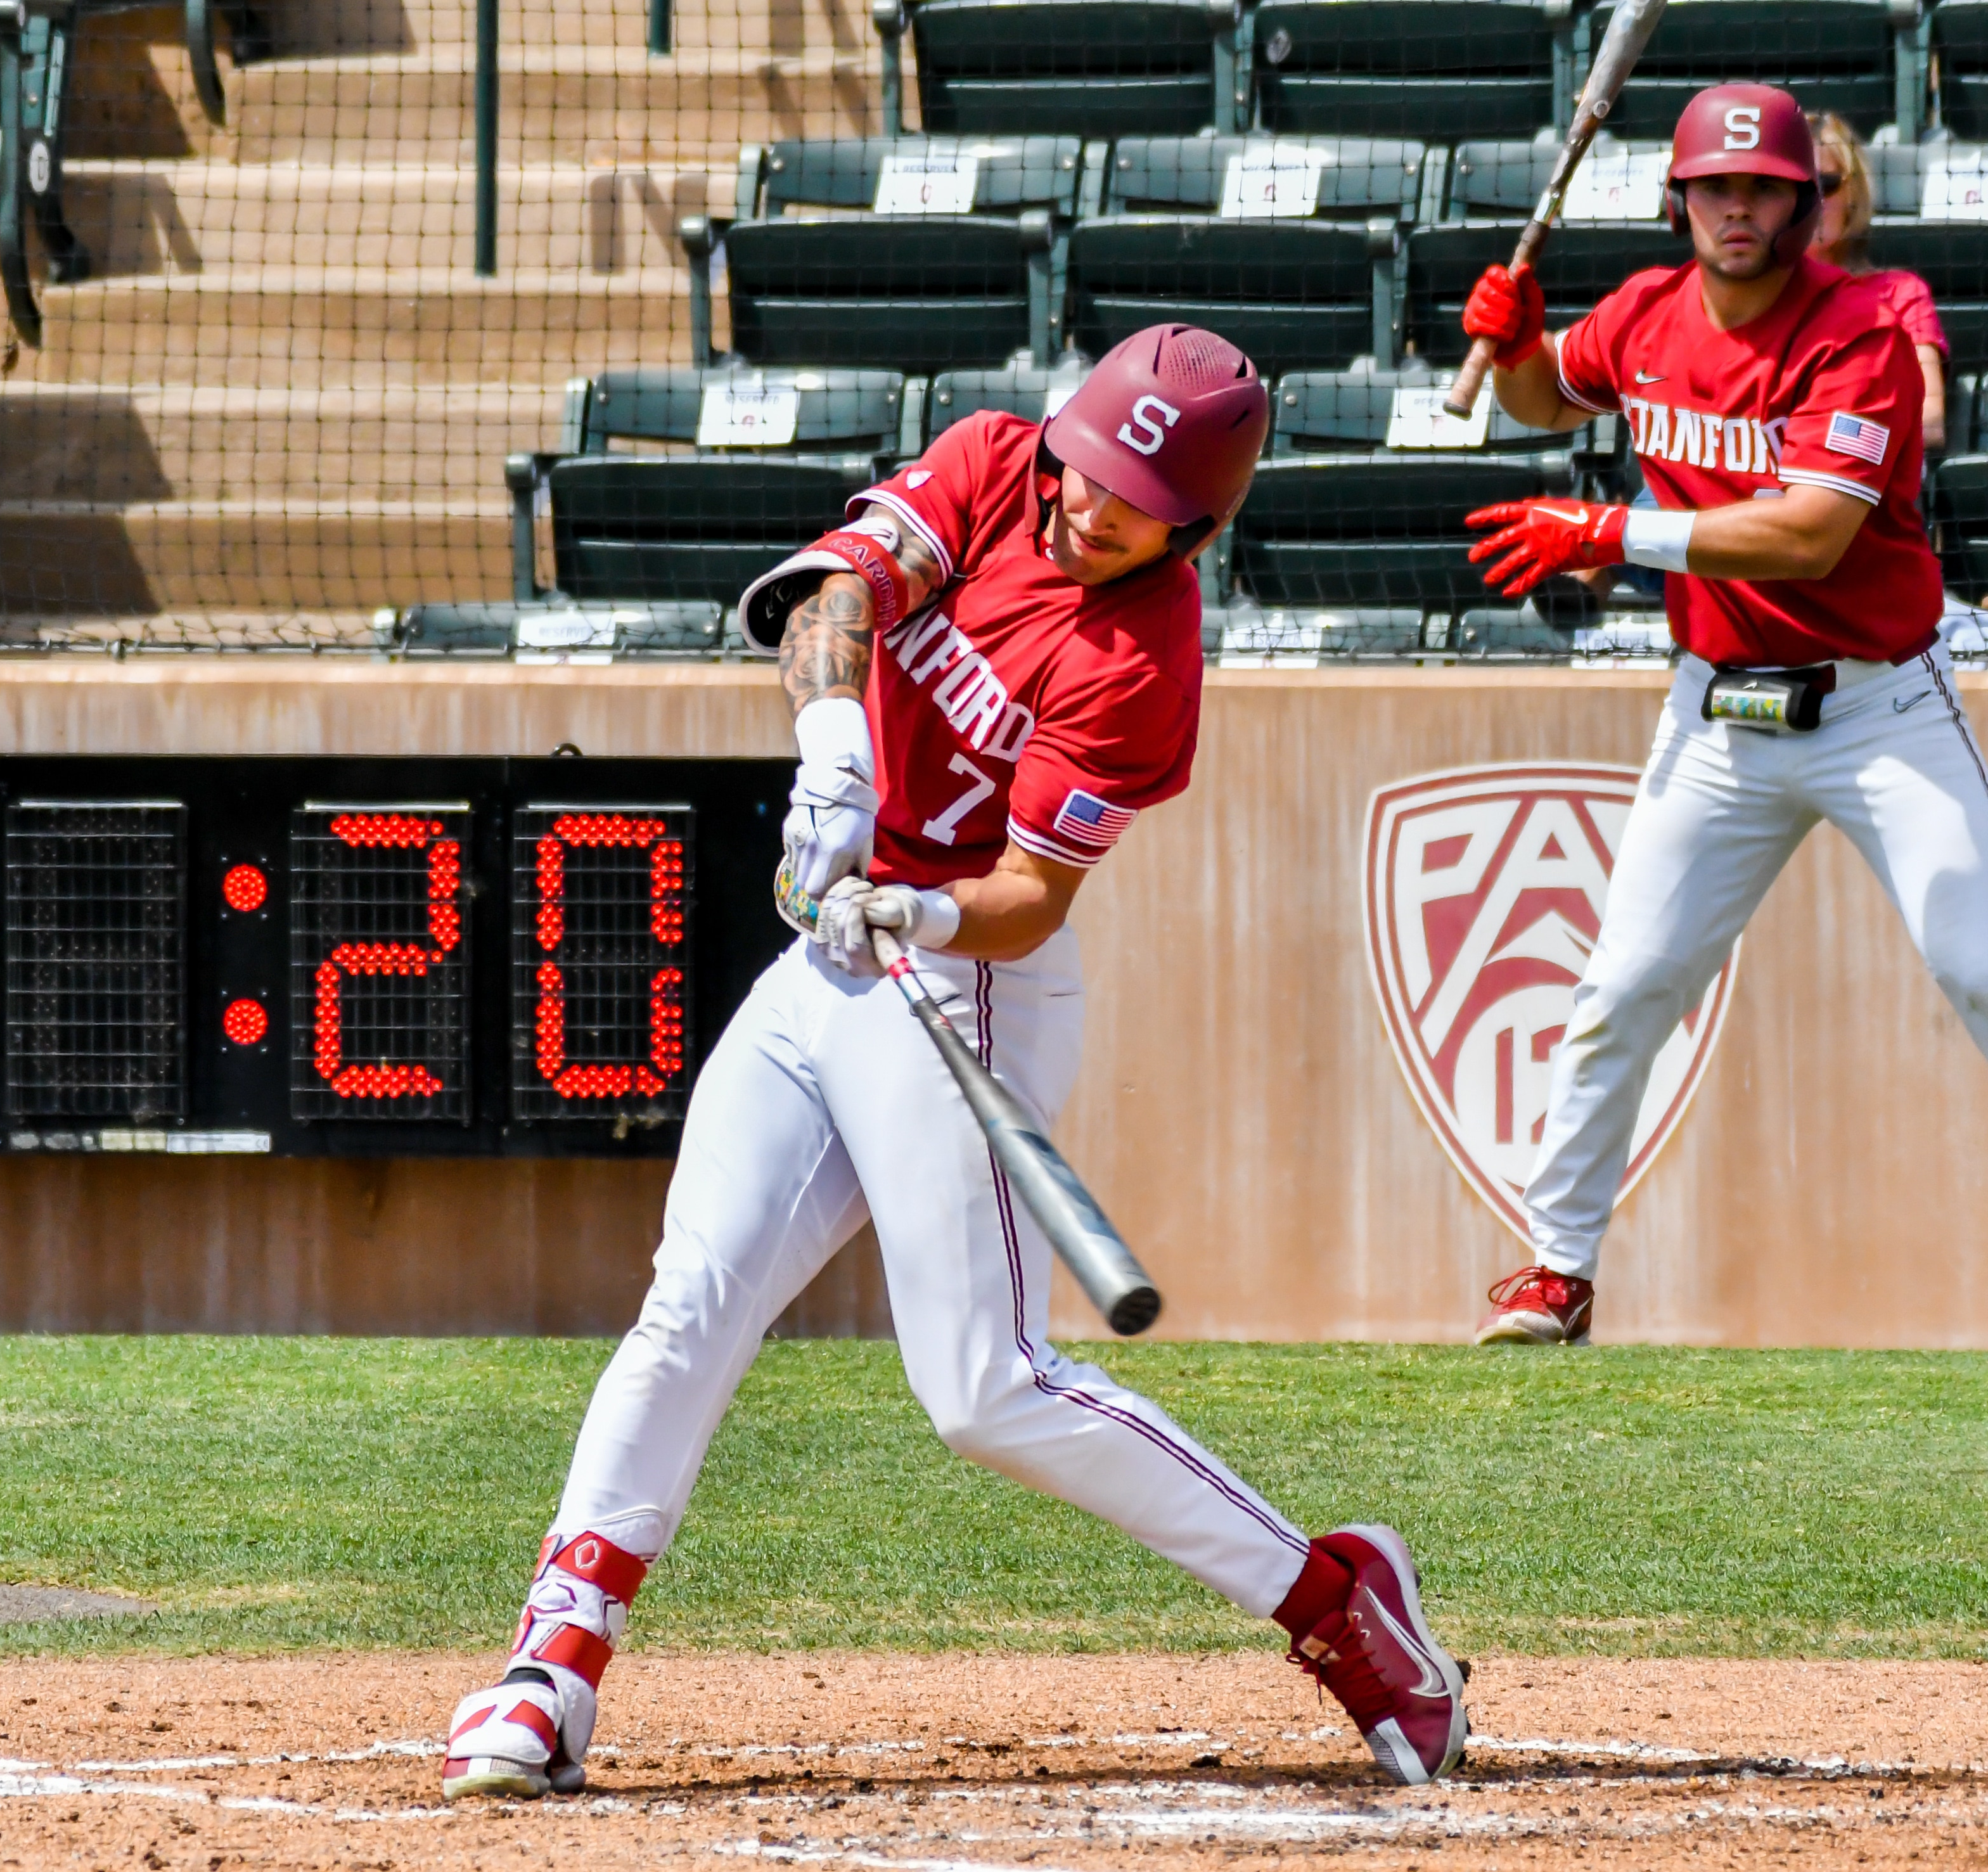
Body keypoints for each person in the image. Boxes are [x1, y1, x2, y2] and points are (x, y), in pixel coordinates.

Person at [438, 326, 1470, 1799]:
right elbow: (832, 592)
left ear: (1195, 522)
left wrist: (912, 901)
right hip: (825, 974)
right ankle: (553, 1667)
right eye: (1088, 464)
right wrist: (833, 760)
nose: (1087, 503)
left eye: (1130, 496)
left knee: (986, 1388)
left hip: (966, 980)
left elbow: (1029, 899)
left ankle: (1334, 1606)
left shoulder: (1140, 659)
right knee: (694, 1298)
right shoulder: (995, 463)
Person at [1457, 82, 1984, 1347]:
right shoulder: (1643, 311)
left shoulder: (1860, 327)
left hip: (1876, 708)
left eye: (1761, 188)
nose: (1735, 207)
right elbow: (1543, 403)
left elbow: (1808, 537)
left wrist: (1610, 529)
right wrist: (1521, 344)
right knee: (1619, 988)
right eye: (1713, 187)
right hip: (1714, 722)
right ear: (1678, 199)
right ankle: (1553, 1268)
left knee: (1977, 962)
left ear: (1806, 204)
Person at [1808, 110, 1949, 449]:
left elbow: (1929, 420)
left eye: (1825, 186)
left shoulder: (1900, 293)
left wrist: (1823, 442)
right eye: (1795, 186)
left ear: (1853, 192)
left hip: (1872, 479)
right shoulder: (1757, 293)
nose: (1811, 202)